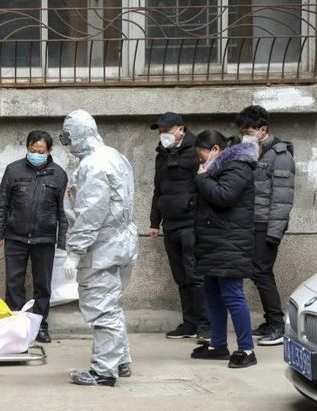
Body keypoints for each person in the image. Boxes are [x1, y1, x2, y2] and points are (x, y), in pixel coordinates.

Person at [60, 110, 138, 387]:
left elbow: (90, 214)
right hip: (121, 243)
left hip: (102, 248)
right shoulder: (114, 156)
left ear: (76, 136)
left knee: (102, 308)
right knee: (111, 305)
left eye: (67, 137)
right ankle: (120, 361)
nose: (67, 143)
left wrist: (74, 252)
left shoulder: (93, 166)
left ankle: (103, 371)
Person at [0, 130, 68, 343]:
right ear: (27, 148)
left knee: (43, 285)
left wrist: (62, 242)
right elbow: (2, 202)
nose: (36, 154)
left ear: (49, 151)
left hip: (44, 238)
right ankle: (16, 325)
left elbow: (63, 210)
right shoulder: (13, 170)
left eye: (41, 152)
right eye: (33, 150)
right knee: (14, 283)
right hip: (15, 237)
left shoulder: (59, 174)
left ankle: (40, 325)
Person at [190, 130, 258, 368]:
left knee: (232, 295)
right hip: (215, 242)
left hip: (231, 243)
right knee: (212, 295)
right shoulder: (218, 168)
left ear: (216, 150)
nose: (200, 160)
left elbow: (224, 195)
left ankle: (247, 349)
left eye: (201, 155)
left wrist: (202, 178)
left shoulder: (237, 166)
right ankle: (218, 345)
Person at [235, 105, 295, 346]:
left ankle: (278, 325)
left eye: (249, 132)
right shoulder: (251, 152)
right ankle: (270, 321)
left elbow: (282, 198)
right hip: (251, 222)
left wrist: (274, 233)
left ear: (263, 130)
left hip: (267, 224)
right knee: (256, 272)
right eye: (243, 132)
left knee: (262, 272)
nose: (245, 136)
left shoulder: (280, 155)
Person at [149, 112, 209, 342]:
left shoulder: (196, 151)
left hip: (191, 222)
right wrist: (154, 222)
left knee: (196, 275)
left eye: (167, 130)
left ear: (180, 129)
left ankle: (206, 325)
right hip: (170, 223)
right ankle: (190, 323)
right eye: (160, 131)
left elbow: (204, 185)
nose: (163, 134)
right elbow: (158, 189)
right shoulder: (162, 154)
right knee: (181, 276)